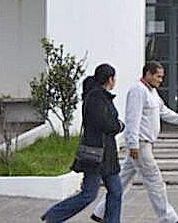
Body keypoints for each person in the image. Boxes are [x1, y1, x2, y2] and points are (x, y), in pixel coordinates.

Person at [90, 61, 178, 223]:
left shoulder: (152, 92)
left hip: (145, 144)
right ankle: (169, 219)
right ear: (148, 74)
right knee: (155, 182)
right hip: (141, 144)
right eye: (158, 76)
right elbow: (133, 119)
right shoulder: (137, 91)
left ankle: (101, 212)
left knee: (123, 180)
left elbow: (164, 111)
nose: (161, 80)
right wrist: (132, 145)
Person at [41, 64, 124, 223]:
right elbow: (106, 124)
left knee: (116, 190)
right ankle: (53, 216)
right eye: (114, 78)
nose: (115, 81)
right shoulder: (95, 98)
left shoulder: (103, 97)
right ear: (110, 79)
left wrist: (115, 124)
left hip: (108, 155)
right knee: (89, 194)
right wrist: (119, 125)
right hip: (96, 154)